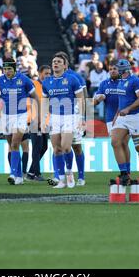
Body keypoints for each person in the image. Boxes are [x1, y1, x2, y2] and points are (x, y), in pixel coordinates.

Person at [0, 57, 39, 185]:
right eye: (5, 69)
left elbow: (35, 96)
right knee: (11, 145)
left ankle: (12, 173)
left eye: (9, 69)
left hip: (21, 115)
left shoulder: (24, 79)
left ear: (14, 69)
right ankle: (19, 176)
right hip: (6, 116)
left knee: (15, 143)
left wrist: (38, 114)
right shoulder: (0, 80)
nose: (7, 71)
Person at [42, 52, 85, 188]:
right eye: (54, 61)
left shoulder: (72, 79)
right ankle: (61, 180)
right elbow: (44, 102)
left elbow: (81, 99)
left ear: (65, 65)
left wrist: (82, 117)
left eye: (59, 62)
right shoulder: (47, 82)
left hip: (70, 116)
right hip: (54, 117)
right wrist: (43, 119)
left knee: (67, 147)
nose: (55, 63)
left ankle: (70, 173)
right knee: (56, 150)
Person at [112, 59, 139, 185]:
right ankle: (124, 174)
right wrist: (116, 115)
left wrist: (128, 109)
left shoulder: (136, 80)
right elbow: (121, 100)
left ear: (124, 69)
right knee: (115, 142)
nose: (116, 70)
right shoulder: (120, 82)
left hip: (136, 117)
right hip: (123, 117)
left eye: (118, 68)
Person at [93, 60, 131, 173]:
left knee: (123, 143)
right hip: (110, 118)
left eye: (114, 69)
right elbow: (95, 101)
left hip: (125, 116)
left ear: (119, 69)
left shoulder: (125, 82)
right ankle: (124, 171)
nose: (112, 71)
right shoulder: (104, 84)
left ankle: (126, 172)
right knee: (116, 144)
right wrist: (97, 100)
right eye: (110, 69)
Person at [26, 65, 51, 181]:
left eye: (49, 73)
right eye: (46, 73)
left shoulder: (49, 86)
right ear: (40, 73)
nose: (48, 76)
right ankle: (36, 173)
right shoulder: (33, 85)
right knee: (37, 147)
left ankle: (31, 172)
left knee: (44, 147)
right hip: (35, 120)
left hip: (45, 121)